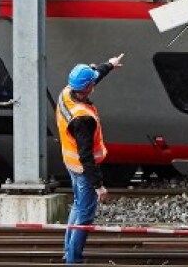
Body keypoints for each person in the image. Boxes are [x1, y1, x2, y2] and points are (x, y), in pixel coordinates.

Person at [56, 53, 124, 264]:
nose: (94, 84)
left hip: (70, 164)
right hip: (83, 169)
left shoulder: (67, 92)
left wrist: (109, 66)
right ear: (86, 88)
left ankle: (69, 253)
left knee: (77, 207)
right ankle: (74, 260)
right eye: (91, 83)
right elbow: (87, 157)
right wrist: (99, 186)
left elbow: (93, 77)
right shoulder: (83, 119)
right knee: (85, 216)